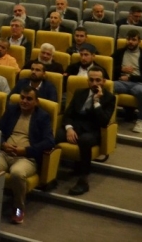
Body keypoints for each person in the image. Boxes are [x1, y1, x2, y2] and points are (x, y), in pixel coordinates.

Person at [0, 88, 55, 224]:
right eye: (22, 97)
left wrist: (26, 150)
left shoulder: (42, 116)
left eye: (29, 99)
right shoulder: (11, 110)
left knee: (17, 173)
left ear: (36, 102)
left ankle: (18, 209)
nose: (24, 101)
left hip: (26, 158)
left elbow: (49, 141)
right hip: (4, 153)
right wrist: (3, 144)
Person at [56, 66, 115, 196]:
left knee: (85, 140)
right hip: (75, 127)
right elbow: (68, 114)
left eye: (98, 80)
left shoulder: (109, 98)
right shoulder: (79, 92)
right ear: (88, 81)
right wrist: (69, 128)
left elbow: (103, 122)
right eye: (91, 80)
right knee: (55, 135)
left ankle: (83, 180)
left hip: (92, 130)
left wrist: (96, 102)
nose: (94, 83)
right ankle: (48, 175)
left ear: (103, 81)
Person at [112, 29, 142, 134]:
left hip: (137, 83)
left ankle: (141, 120)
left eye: (134, 40)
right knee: (108, 87)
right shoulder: (119, 53)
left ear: (139, 41)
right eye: (128, 39)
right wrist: (121, 69)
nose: (130, 42)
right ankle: (109, 118)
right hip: (120, 82)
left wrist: (130, 78)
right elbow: (108, 67)